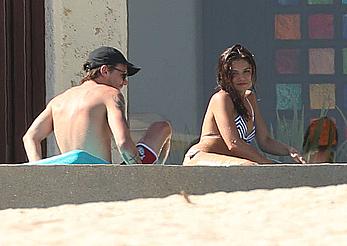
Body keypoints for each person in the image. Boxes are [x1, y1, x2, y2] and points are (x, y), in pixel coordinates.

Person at [23, 46, 172, 164]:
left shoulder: (58, 101)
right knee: (162, 128)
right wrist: (137, 175)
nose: (125, 82)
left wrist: (38, 169)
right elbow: (123, 144)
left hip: (66, 176)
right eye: (123, 75)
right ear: (105, 70)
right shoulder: (110, 94)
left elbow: (30, 137)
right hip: (101, 179)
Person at [183, 44, 305, 166]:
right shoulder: (222, 98)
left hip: (232, 162)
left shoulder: (250, 99)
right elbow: (234, 144)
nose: (241, 78)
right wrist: (267, 164)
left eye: (246, 71)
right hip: (201, 157)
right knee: (250, 166)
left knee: (264, 167)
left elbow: (265, 141)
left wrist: (289, 150)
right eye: (234, 73)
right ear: (224, 76)